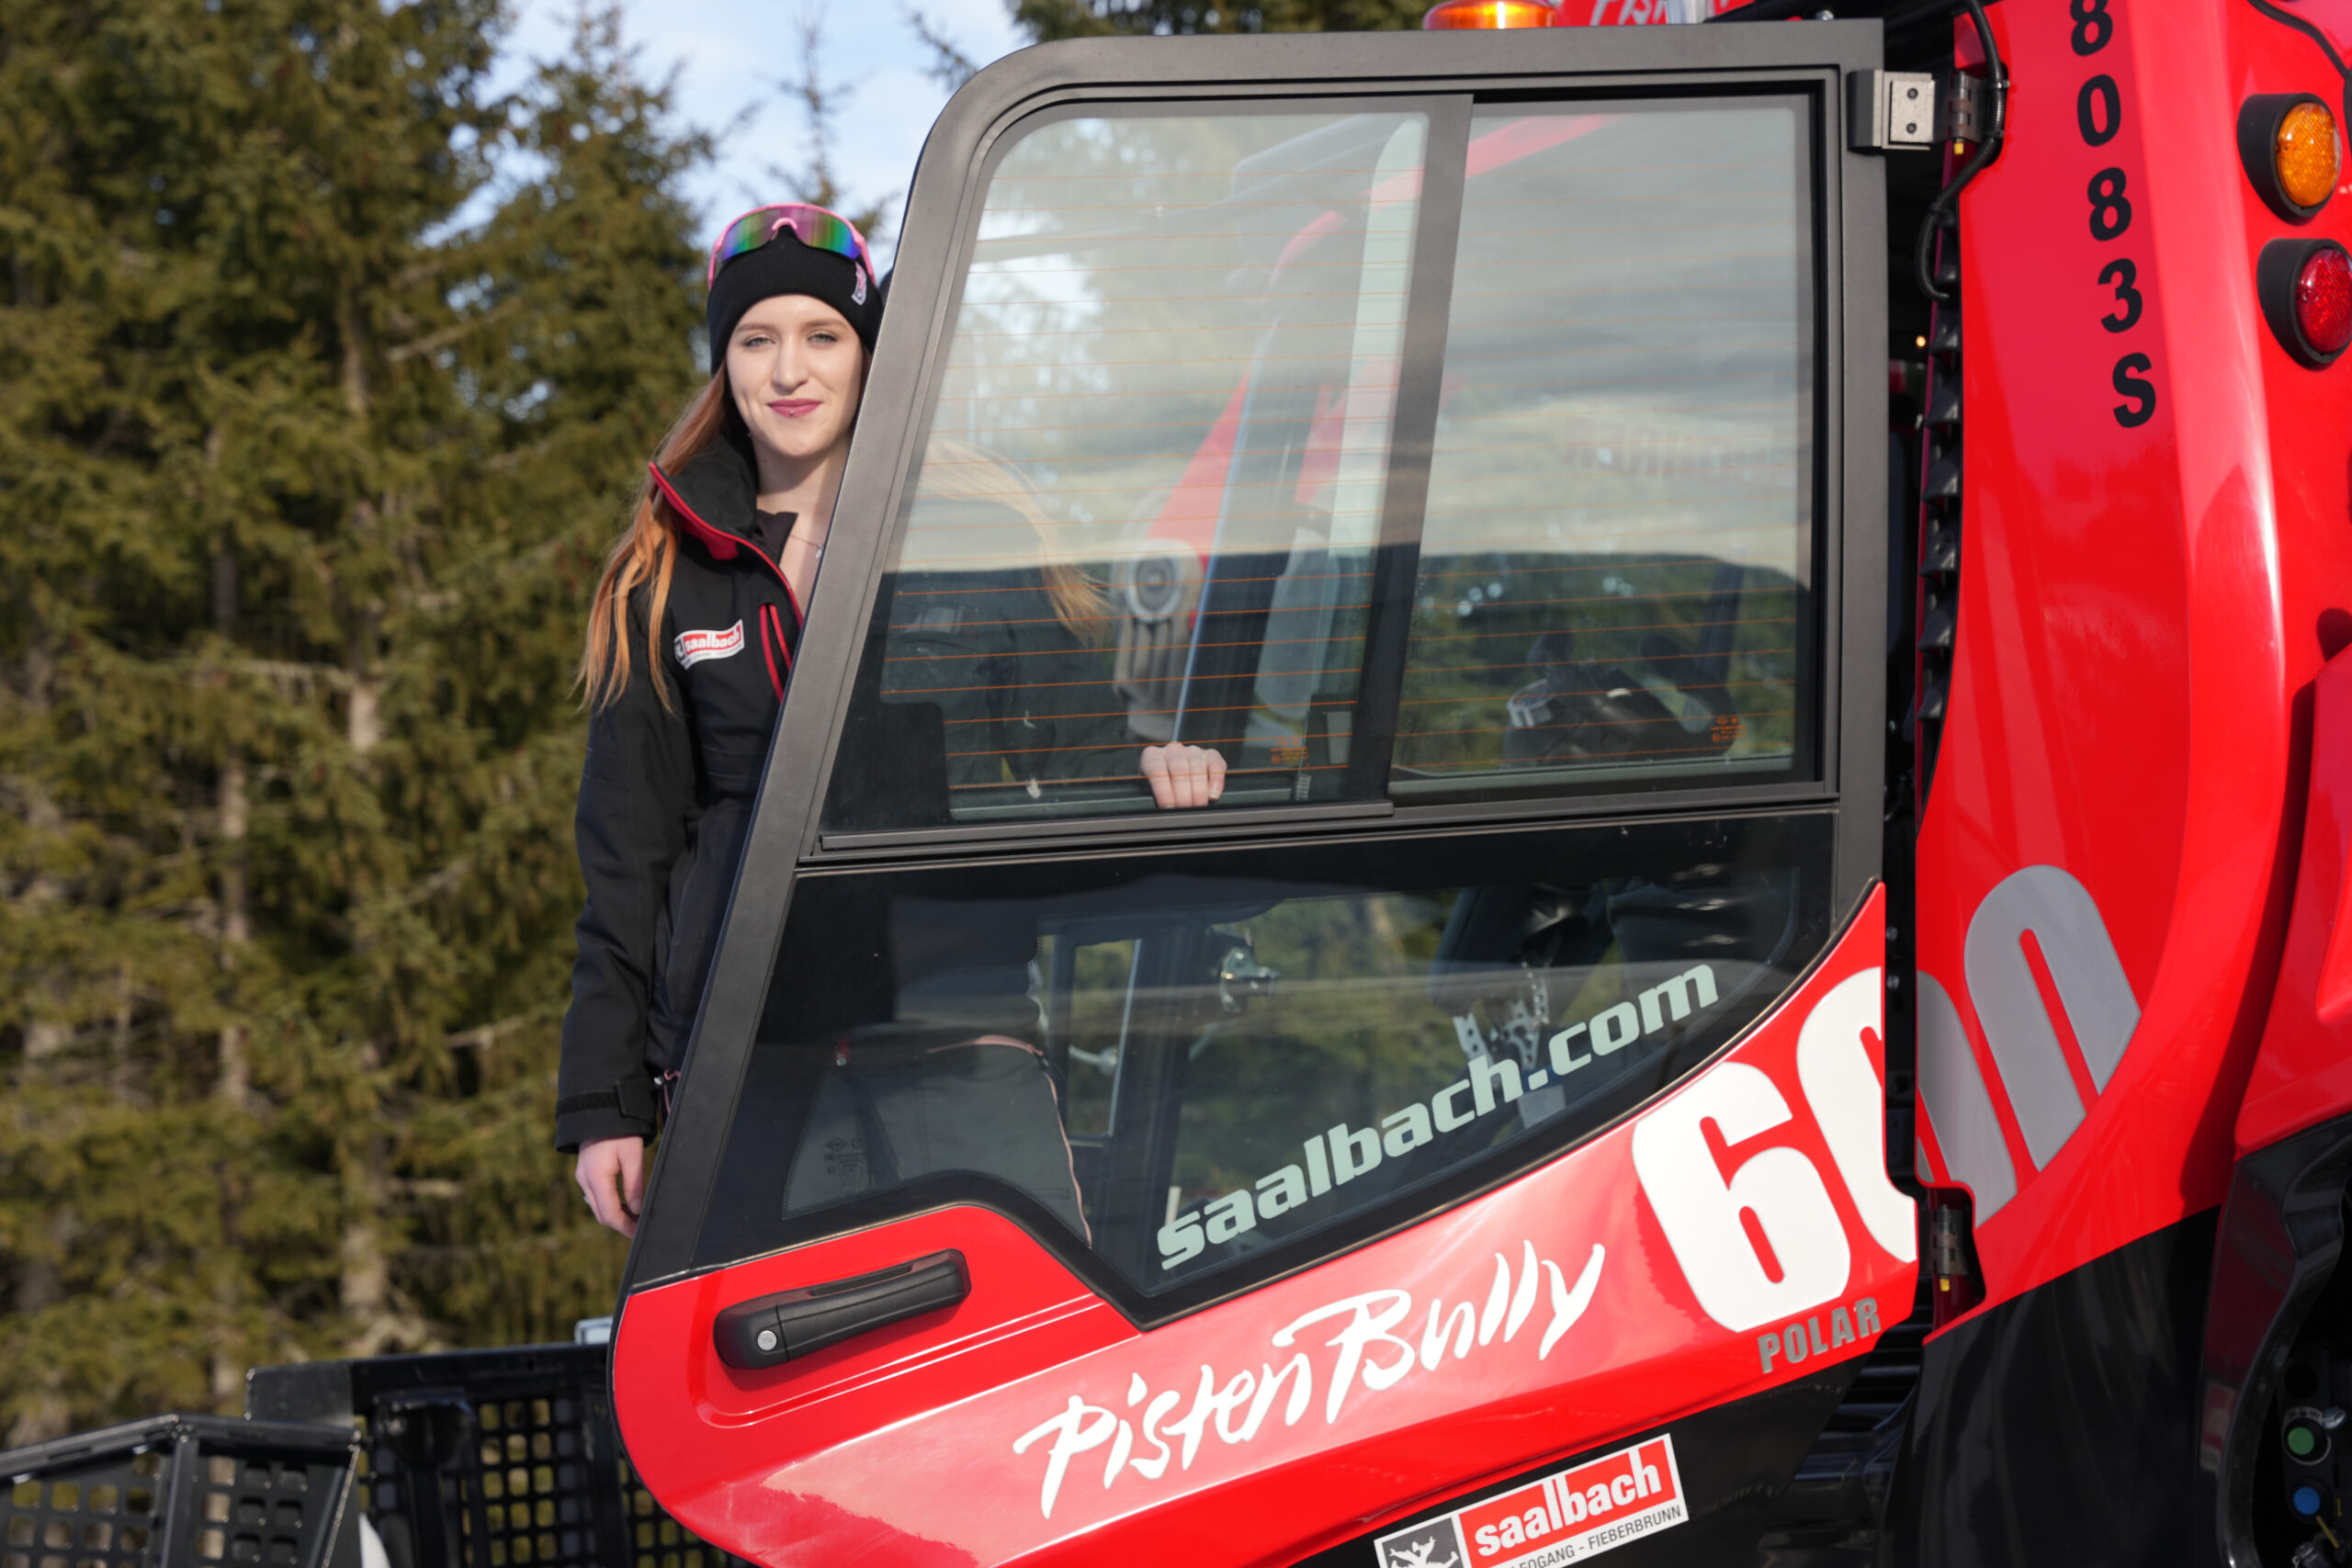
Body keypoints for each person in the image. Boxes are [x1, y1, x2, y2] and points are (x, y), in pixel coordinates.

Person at [560, 206, 1228, 1236]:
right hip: (749, 1060)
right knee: (788, 1375)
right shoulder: (666, 575)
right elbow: (627, 858)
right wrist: (606, 1104)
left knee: (1017, 1358)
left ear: (867, 353)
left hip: (954, 1032)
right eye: (757, 340)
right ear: (724, 364)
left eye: (821, 336)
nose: (790, 371)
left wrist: (1160, 764)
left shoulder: (971, 534)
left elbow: (1079, 737)